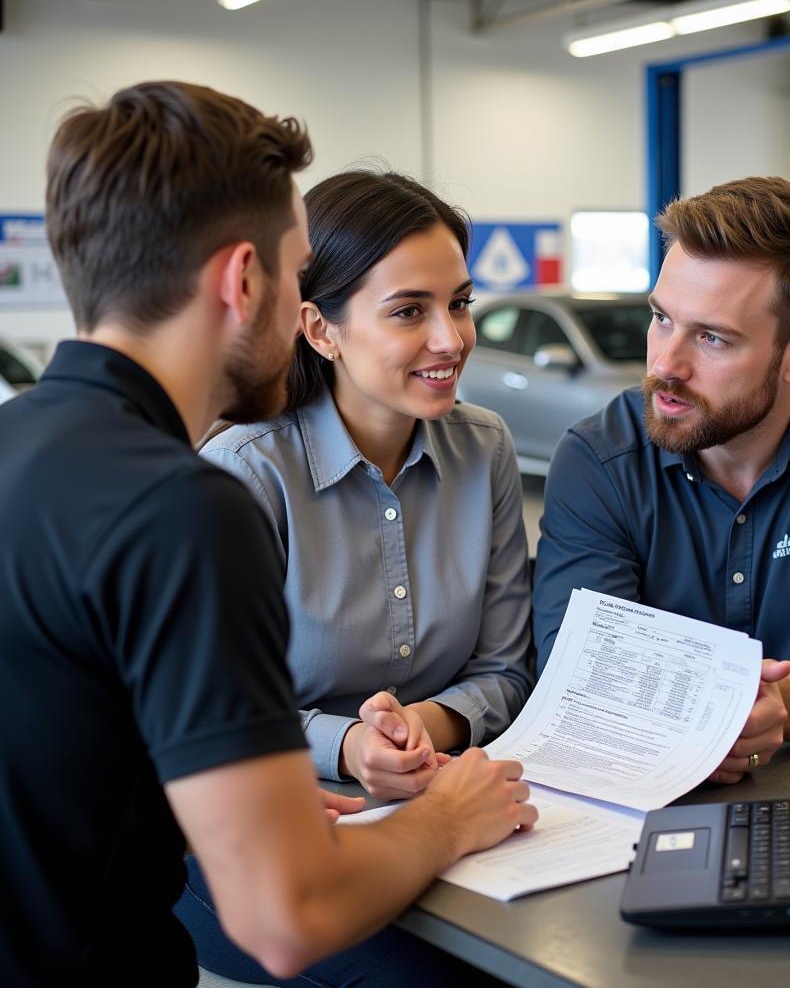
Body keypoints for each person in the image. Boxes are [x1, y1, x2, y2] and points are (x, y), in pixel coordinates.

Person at [0, 81, 536, 988]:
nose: (299, 307)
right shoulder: (185, 505)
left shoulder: (21, 446)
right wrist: (446, 817)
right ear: (243, 282)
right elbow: (286, 918)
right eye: (296, 275)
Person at [173, 171, 535, 984]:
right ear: (320, 329)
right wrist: (351, 746)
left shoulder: (487, 449)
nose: (451, 338)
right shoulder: (242, 476)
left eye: (461, 303)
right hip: (258, 847)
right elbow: (216, 717)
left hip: (439, 805)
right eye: (410, 311)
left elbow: (507, 667)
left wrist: (423, 731)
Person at [533, 176, 790, 784]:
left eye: (711, 337)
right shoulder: (598, 459)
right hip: (646, 793)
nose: (665, 366)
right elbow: (578, 670)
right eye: (661, 318)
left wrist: (778, 707)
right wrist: (722, 710)